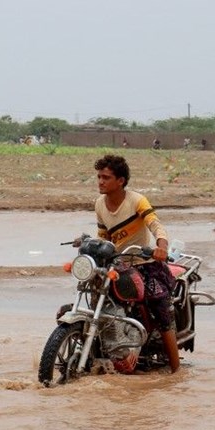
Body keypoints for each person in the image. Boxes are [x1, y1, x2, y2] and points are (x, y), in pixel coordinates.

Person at [88, 154, 179, 372]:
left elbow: (155, 224)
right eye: (99, 177)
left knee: (161, 310)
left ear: (120, 181)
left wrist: (161, 246)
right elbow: (103, 236)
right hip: (117, 265)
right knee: (96, 297)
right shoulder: (99, 204)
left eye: (106, 177)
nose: (100, 181)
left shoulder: (137, 200)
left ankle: (176, 371)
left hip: (144, 264)